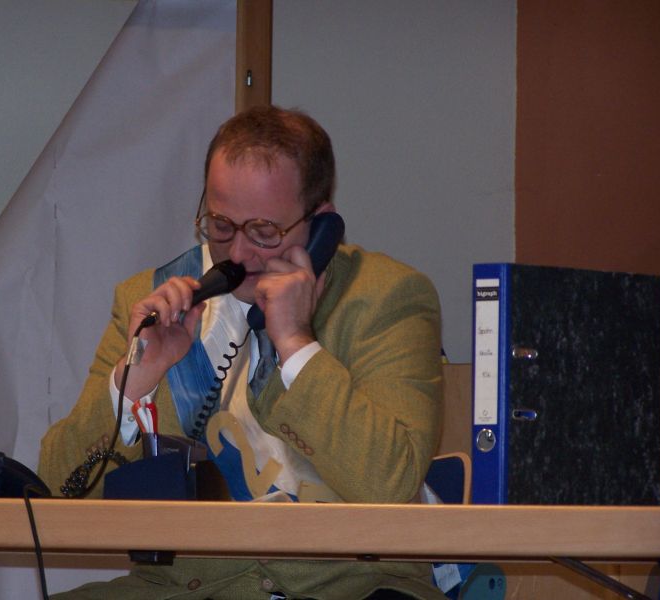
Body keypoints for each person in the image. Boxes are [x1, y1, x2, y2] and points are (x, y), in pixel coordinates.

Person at [39, 105, 444, 600]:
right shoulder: (151, 301)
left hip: (348, 589)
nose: (237, 254)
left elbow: (391, 484)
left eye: (264, 232)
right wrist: (136, 381)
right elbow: (57, 490)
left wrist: (296, 344)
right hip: (187, 590)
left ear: (321, 224)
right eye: (221, 225)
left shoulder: (385, 299)